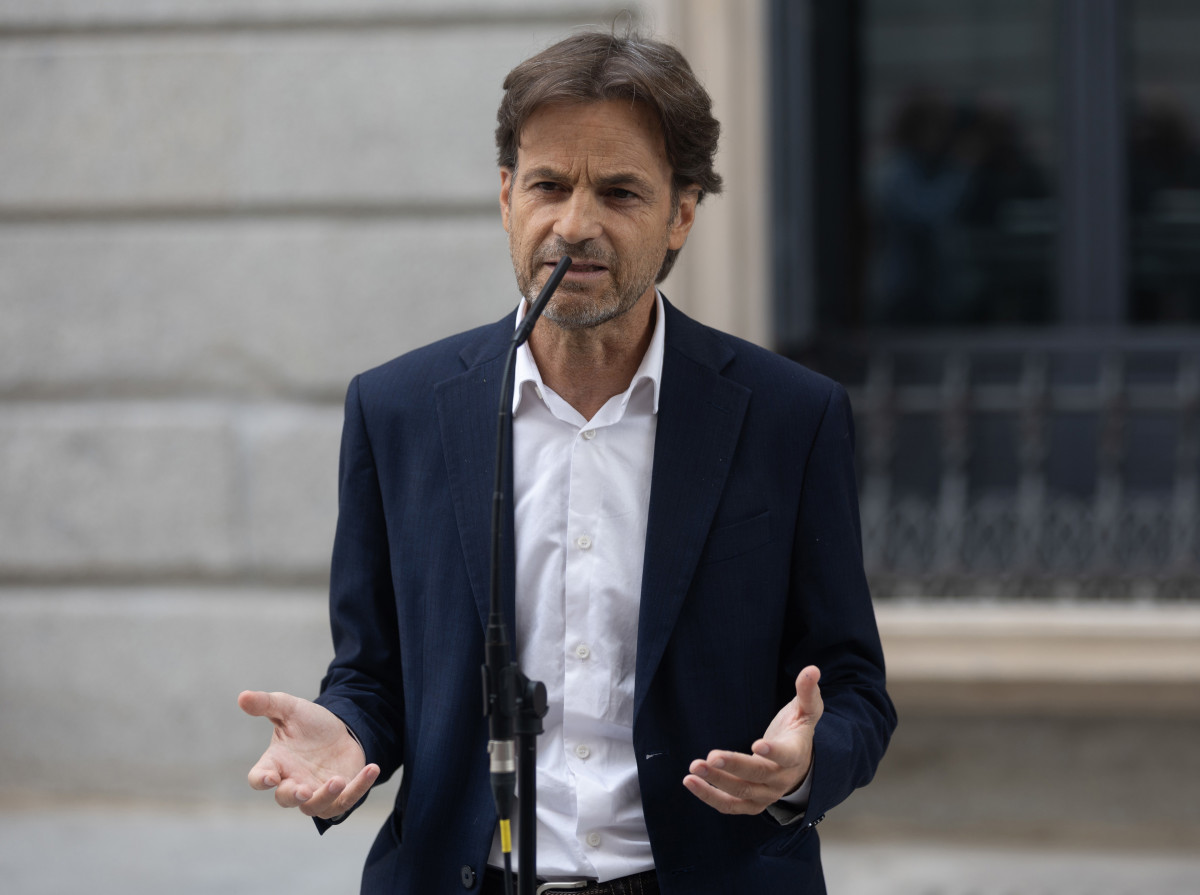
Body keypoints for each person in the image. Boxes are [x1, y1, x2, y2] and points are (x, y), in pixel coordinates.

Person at [239, 30, 895, 895]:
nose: (575, 225)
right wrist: (349, 731)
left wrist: (807, 760)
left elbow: (852, 689)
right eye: (548, 185)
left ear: (682, 213)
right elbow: (374, 674)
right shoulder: (396, 409)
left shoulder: (789, 417)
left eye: (619, 192)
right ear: (506, 196)